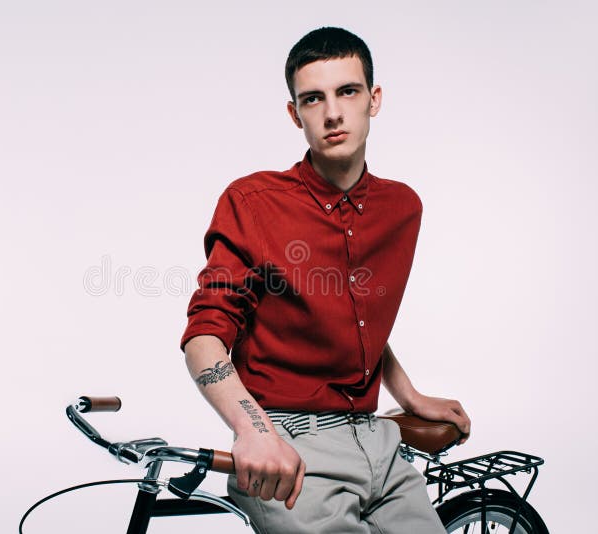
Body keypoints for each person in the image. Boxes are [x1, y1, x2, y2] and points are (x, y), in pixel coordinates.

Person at [180, 26, 471, 533]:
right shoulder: (254, 203)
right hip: (291, 446)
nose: (332, 113)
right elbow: (205, 338)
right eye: (313, 98)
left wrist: (410, 396)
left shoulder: (401, 207)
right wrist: (255, 433)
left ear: (373, 99)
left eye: (348, 92)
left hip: (380, 444)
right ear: (295, 113)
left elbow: (357, 320)